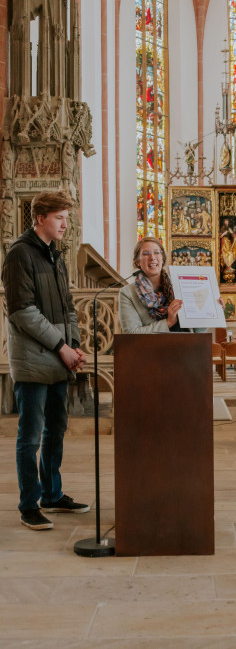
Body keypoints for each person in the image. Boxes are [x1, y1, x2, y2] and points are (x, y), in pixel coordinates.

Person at [1, 191, 89, 531]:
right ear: (40, 218)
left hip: (57, 357)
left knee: (57, 430)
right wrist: (62, 347)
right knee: (31, 436)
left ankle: (52, 494)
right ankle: (28, 504)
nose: (65, 224)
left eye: (66, 218)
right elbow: (23, 313)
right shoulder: (19, 254)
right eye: (59, 218)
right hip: (34, 361)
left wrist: (74, 343)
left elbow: (68, 306)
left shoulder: (56, 255)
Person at [119, 237, 223, 334]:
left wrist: (211, 309)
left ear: (162, 258)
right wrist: (168, 322)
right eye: (146, 253)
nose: (152, 257)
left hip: (187, 347)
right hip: (152, 351)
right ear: (138, 262)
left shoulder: (180, 284)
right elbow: (131, 333)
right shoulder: (127, 293)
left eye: (157, 253)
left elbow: (197, 331)